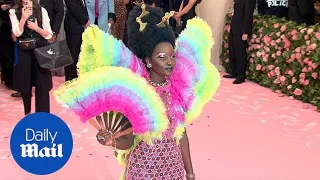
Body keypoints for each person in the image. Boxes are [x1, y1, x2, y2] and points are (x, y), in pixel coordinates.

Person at [9, 0, 53, 115]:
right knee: (25, 86)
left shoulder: (41, 10)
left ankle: (43, 117)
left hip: (41, 51)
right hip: (24, 53)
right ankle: (27, 115)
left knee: (43, 86)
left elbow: (48, 34)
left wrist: (36, 28)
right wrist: (23, 18)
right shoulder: (14, 11)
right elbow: (17, 33)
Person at [223, 0, 256, 84]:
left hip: (241, 29)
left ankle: (241, 76)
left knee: (240, 52)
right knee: (232, 51)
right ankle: (234, 72)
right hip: (234, 27)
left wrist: (245, 32)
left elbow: (248, 15)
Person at [64, 0, 89, 81]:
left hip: (80, 27)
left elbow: (83, 8)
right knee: (72, 54)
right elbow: (74, 8)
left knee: (78, 54)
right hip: (72, 27)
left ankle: (75, 76)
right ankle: (69, 79)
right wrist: (85, 21)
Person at [0, 0, 15, 89]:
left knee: (9, 56)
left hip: (10, 29)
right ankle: (8, 80)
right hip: (4, 29)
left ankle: (10, 81)